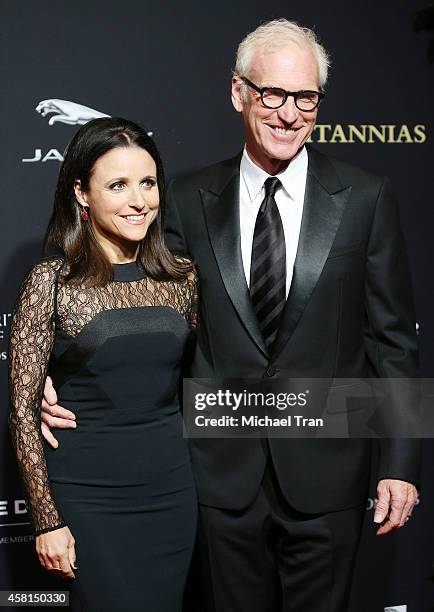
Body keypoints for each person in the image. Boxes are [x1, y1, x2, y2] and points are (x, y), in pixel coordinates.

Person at [41, 19, 421, 612]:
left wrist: (400, 463)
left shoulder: (366, 196)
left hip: (329, 475)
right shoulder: (186, 201)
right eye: (273, 94)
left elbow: (394, 339)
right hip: (216, 477)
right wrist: (52, 375)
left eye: (306, 98)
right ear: (239, 92)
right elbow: (125, 304)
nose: (289, 113)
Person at [9, 117, 198, 611]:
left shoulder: (182, 277)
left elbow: (206, 379)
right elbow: (24, 413)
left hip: (173, 490)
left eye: (148, 182)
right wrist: (47, 519)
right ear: (82, 193)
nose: (139, 201)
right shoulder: (52, 282)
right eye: (117, 185)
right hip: (87, 495)